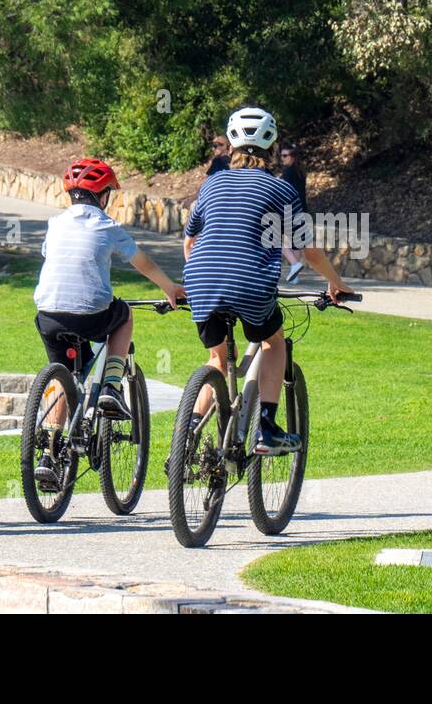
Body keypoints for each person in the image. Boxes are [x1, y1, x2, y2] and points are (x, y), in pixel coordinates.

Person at [182, 108, 353, 454]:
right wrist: (336, 283)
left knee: (217, 359)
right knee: (274, 341)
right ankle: (267, 429)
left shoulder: (211, 184)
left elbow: (189, 242)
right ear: (272, 146)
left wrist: (205, 282)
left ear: (231, 146)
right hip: (249, 284)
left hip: (200, 280)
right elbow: (309, 250)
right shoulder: (281, 189)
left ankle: (185, 438)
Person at [32, 157, 184, 483]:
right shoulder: (108, 226)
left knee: (64, 377)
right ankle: (112, 387)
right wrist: (170, 288)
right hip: (91, 316)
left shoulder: (55, 223)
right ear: (103, 196)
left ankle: (48, 451)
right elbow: (142, 262)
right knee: (124, 315)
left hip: (48, 316)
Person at [278, 144, 307, 284]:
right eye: (281, 155)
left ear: (293, 157)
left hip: (289, 210)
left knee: (273, 236)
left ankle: (294, 264)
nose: (282, 158)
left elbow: (281, 189)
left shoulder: (289, 172)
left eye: (285, 156)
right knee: (296, 243)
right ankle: (294, 275)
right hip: (301, 210)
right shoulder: (300, 171)